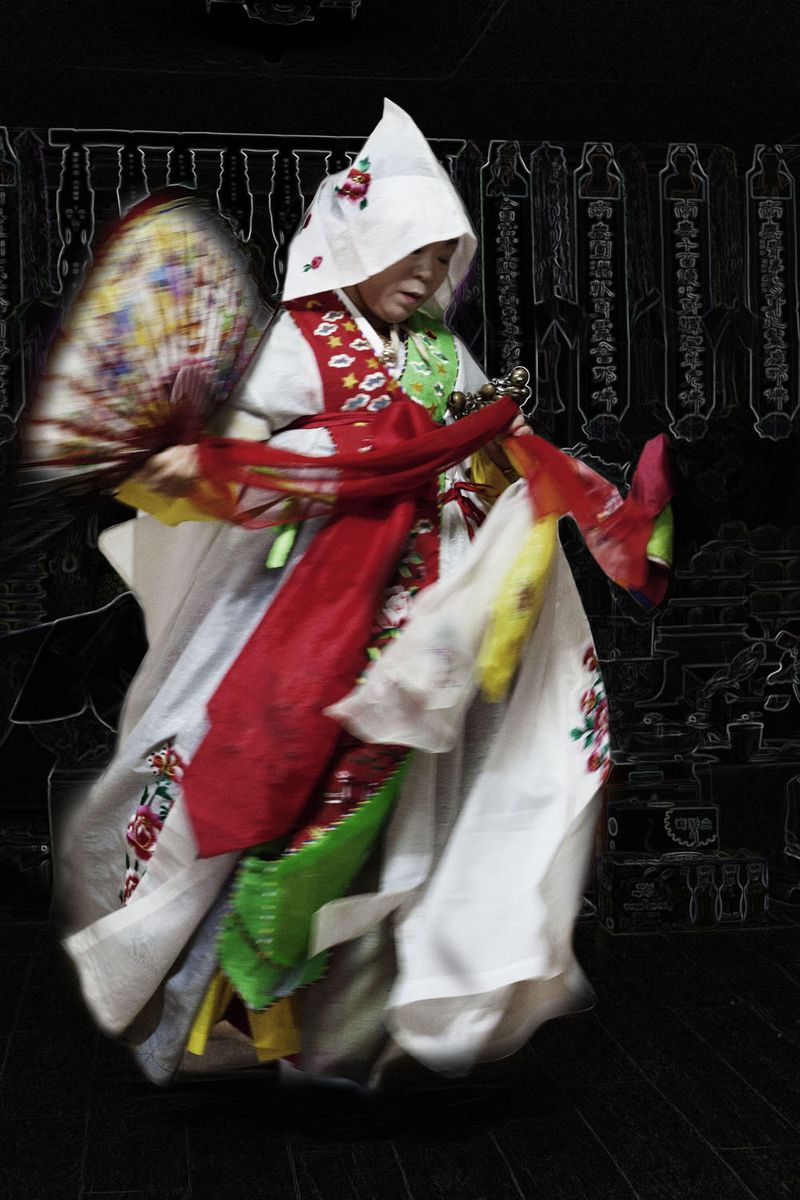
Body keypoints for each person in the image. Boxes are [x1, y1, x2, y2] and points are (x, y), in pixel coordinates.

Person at [53, 100, 666, 1087]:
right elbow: (251, 461)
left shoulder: (437, 355)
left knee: (379, 823)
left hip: (414, 625)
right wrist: (341, 463)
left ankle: (337, 1028)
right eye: (407, 252)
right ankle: (222, 1003)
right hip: (300, 613)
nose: (425, 277)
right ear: (354, 243)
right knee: (269, 801)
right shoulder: (301, 343)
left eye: (439, 258)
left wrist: (481, 475)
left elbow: (485, 457)